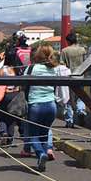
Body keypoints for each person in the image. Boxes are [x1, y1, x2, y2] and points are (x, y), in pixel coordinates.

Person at [25, 44, 59, 172]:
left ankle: (40, 154)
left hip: (35, 105)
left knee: (33, 134)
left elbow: (23, 83)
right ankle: (42, 161)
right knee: (44, 134)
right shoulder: (54, 69)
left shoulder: (32, 68)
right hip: (51, 105)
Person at [60, 31, 87, 128]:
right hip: (81, 76)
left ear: (68, 41)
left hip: (69, 77)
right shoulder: (83, 50)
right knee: (81, 96)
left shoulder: (64, 51)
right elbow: (86, 63)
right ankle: (81, 110)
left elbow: (62, 65)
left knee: (69, 99)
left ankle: (69, 120)